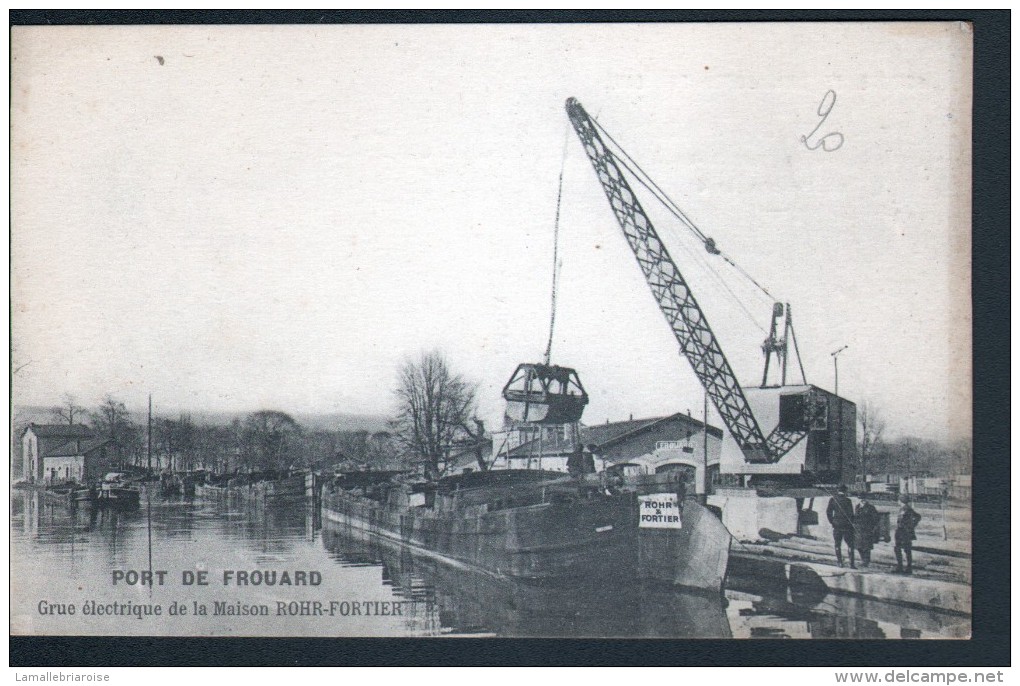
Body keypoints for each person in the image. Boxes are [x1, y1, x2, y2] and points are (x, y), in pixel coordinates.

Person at [826, 485, 856, 568]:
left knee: (837, 544)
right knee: (850, 545)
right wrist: (851, 524)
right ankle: (852, 564)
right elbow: (851, 514)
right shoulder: (848, 500)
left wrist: (832, 522)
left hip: (837, 525)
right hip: (847, 526)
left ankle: (840, 563)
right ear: (845, 491)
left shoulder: (833, 500)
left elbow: (828, 512)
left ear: (838, 490)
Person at [893, 495, 922, 574]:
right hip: (900, 532)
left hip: (905, 532)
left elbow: (918, 517)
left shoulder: (907, 509)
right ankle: (901, 567)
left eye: (898, 500)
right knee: (898, 549)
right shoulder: (903, 509)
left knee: (906, 550)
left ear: (901, 501)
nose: (897, 501)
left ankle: (907, 568)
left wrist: (911, 526)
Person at [854, 495, 881, 568]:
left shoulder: (871, 507)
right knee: (859, 546)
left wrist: (872, 527)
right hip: (858, 529)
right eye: (861, 498)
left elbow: (876, 518)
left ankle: (866, 561)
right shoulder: (857, 506)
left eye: (864, 498)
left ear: (866, 499)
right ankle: (863, 560)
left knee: (866, 547)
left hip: (867, 529)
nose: (863, 500)